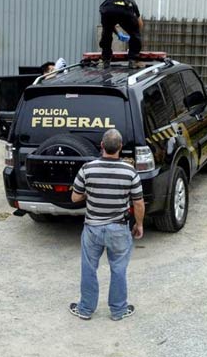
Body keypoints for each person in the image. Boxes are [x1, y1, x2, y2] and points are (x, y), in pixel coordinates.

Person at [69, 128, 145, 321]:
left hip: (92, 228)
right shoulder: (130, 171)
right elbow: (138, 202)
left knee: (89, 268)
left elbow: (75, 197)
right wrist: (139, 224)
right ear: (120, 147)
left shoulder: (88, 168)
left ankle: (85, 309)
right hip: (118, 228)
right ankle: (118, 310)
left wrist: (90, 192)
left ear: (101, 146)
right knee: (118, 269)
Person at [99, 0, 144, 69]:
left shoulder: (111, 0)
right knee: (135, 33)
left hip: (107, 8)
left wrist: (118, 33)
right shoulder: (133, 4)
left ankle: (105, 60)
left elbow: (109, 26)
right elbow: (139, 23)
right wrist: (135, 35)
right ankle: (133, 61)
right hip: (125, 8)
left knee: (106, 33)